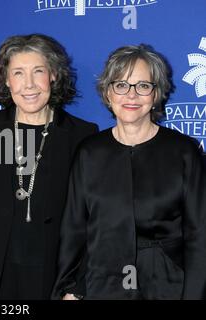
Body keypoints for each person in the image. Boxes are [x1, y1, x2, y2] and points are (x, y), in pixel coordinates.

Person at [53, 44, 206, 300]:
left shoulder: (184, 152)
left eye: (143, 86)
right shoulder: (89, 152)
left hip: (167, 286)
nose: (131, 95)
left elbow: (200, 237)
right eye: (121, 85)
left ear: (156, 94)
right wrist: (69, 289)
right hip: (101, 284)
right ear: (108, 92)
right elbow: (74, 231)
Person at [0, 34, 98, 300]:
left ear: (52, 74)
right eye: (18, 73)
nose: (28, 84)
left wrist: (77, 287)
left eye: (37, 71)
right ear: (6, 80)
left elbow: (93, 217)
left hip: (54, 276)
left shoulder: (82, 136)